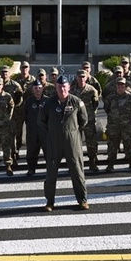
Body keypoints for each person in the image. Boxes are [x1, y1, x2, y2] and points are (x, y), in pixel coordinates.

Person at [38, 75, 88, 211]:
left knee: (77, 171)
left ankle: (82, 200)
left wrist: (72, 131)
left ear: (69, 87)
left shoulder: (76, 102)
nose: (62, 89)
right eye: (59, 87)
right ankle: (49, 202)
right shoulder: (48, 103)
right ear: (56, 87)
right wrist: (54, 131)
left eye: (64, 86)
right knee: (51, 173)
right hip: (54, 142)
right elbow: (42, 121)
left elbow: (84, 120)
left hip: (72, 142)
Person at [104, 77, 131, 173]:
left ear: (125, 86)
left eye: (122, 85)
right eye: (118, 85)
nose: (120, 86)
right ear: (116, 86)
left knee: (129, 144)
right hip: (113, 126)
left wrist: (130, 121)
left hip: (127, 126)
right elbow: (107, 109)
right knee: (112, 145)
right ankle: (110, 164)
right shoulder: (110, 97)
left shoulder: (130, 97)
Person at [73, 69, 101, 173]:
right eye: (79, 77)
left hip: (89, 120)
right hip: (76, 122)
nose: (81, 79)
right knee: (76, 144)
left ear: (86, 78)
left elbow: (95, 104)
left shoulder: (92, 90)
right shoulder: (72, 91)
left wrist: (90, 115)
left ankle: (92, 162)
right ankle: (77, 164)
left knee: (91, 142)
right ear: (76, 78)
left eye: (83, 77)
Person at [22, 81, 48, 176]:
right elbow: (24, 115)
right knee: (32, 151)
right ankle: (31, 169)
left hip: (45, 131)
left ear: (42, 89)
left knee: (48, 151)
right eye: (35, 88)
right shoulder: (29, 102)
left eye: (39, 88)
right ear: (32, 90)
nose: (38, 90)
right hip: (32, 130)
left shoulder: (47, 101)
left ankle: (50, 169)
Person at [13, 62, 36, 153]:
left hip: (30, 109)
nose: (24, 69)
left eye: (26, 67)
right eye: (23, 67)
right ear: (20, 69)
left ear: (29, 68)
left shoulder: (33, 80)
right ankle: (17, 150)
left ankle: (31, 150)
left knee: (31, 130)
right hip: (18, 110)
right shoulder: (15, 80)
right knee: (18, 131)